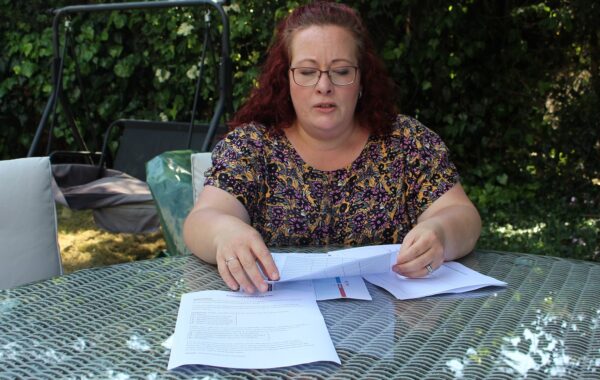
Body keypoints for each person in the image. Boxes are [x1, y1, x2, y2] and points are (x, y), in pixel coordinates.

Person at [183, 1, 481, 294]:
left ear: (362, 79)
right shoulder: (252, 146)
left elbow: (461, 215)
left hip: (392, 328)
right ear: (285, 79)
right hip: (279, 326)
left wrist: (440, 233)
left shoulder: (407, 142)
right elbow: (202, 219)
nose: (324, 86)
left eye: (340, 72)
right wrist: (225, 233)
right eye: (307, 71)